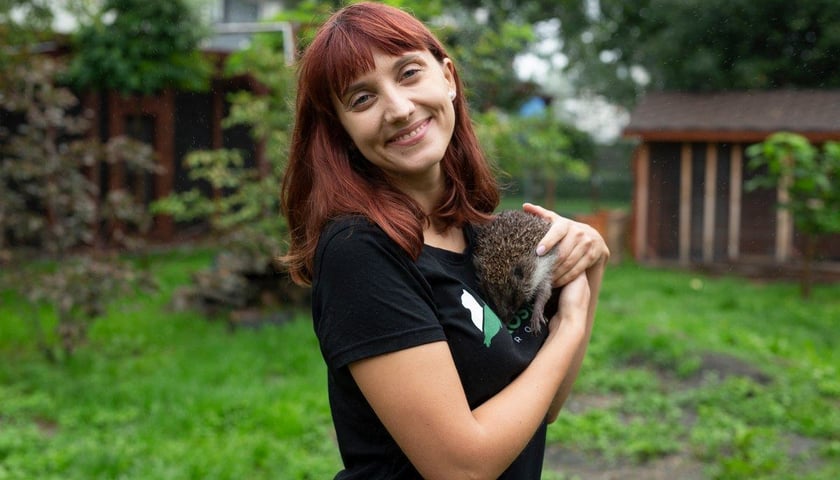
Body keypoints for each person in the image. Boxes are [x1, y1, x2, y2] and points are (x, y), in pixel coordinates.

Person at [280, 3, 608, 479]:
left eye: (409, 73)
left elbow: (545, 401)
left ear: (448, 78)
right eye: (361, 99)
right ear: (343, 131)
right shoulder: (360, 252)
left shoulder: (483, 236)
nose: (398, 109)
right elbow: (462, 470)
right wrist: (571, 323)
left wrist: (587, 264)